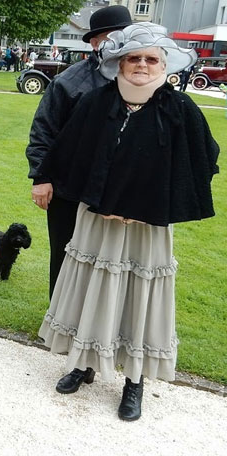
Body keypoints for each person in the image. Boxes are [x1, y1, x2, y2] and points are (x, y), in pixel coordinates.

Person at [36, 22, 219, 421]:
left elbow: (204, 159)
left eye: (150, 59)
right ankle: (83, 364)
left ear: (163, 65)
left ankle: (134, 380)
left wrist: (150, 200)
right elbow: (67, 152)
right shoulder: (95, 102)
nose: (141, 65)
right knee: (90, 288)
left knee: (139, 296)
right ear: (119, 62)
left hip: (146, 226)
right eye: (133, 58)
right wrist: (48, 178)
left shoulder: (180, 109)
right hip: (98, 219)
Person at [27, 5, 133, 300]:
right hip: (68, 188)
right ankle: (58, 318)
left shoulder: (137, 78)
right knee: (66, 253)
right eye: (115, 36)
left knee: (111, 258)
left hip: (115, 190)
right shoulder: (70, 82)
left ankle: (97, 323)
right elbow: (43, 131)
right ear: (96, 42)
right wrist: (41, 177)